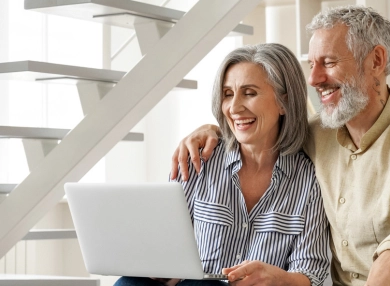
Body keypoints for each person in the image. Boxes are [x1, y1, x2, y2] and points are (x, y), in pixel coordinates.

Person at [171, 6, 390, 286]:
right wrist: (212, 130)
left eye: (329, 63)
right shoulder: (316, 134)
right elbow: (262, 129)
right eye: (312, 65)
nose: (313, 79)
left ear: (376, 61)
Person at [116, 44, 330, 286]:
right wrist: (156, 266)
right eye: (228, 94)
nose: (234, 107)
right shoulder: (198, 160)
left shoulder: (308, 179)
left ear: (284, 102)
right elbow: (164, 250)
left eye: (249, 93)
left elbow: (311, 271)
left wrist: (280, 278)